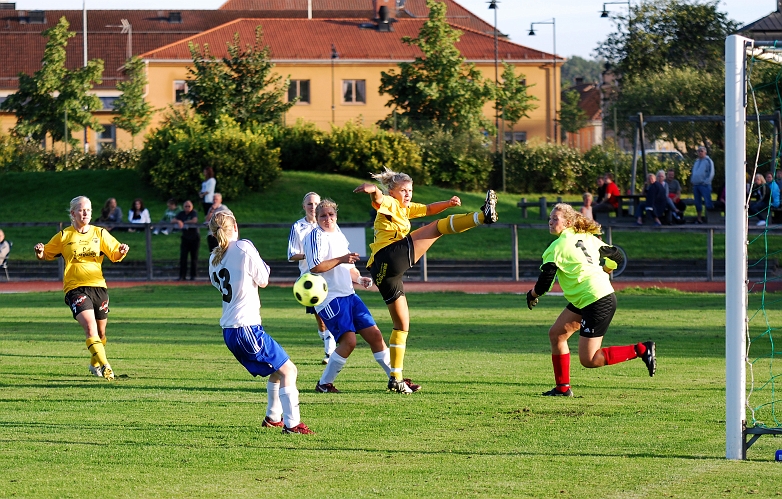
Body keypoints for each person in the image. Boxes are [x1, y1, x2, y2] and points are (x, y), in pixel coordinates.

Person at [354, 167, 497, 393]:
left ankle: (396, 378)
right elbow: (379, 199)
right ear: (393, 191)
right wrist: (373, 190)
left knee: (402, 325)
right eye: (403, 190)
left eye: (410, 190)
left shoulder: (405, 208)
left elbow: (428, 208)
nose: (408, 194)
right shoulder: (390, 202)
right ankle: (482, 216)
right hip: (388, 256)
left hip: (383, 272)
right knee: (438, 228)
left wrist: (448, 203)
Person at [526, 203, 656, 397]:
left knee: (590, 359)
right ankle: (562, 388)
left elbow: (545, 282)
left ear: (568, 222)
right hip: (590, 297)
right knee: (557, 335)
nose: (550, 222)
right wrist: (607, 269)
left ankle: (641, 349)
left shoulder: (556, 247)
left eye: (555, 219)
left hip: (596, 300)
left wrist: (532, 295)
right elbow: (617, 255)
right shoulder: (588, 238)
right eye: (550, 218)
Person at [208, 209, 313, 434]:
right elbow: (263, 280)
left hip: (230, 329)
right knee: (289, 371)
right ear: (235, 226)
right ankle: (292, 425)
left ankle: (273, 417)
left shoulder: (213, 257)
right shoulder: (244, 246)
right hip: (245, 326)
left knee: (277, 372)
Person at [304, 199, 396, 394]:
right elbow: (316, 266)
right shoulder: (315, 236)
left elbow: (348, 266)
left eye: (331, 215)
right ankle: (324, 383)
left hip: (349, 294)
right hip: (329, 298)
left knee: (375, 336)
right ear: (316, 217)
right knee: (349, 342)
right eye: (323, 216)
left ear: (336, 215)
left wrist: (358, 277)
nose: (328, 219)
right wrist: (341, 259)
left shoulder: (338, 233)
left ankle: (396, 378)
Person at [33, 196, 129, 381]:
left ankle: (94, 364)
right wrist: (40, 252)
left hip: (98, 287)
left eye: (89, 210)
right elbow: (46, 253)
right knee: (90, 329)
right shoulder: (64, 236)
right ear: (73, 213)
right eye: (82, 210)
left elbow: (114, 254)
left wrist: (122, 251)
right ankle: (106, 366)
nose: (86, 213)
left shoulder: (100, 233)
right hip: (75, 288)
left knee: (101, 334)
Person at [287, 191, 336, 364]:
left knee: (331, 311)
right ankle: (328, 342)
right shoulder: (298, 227)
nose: (313, 207)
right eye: (309, 204)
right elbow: (291, 254)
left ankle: (331, 351)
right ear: (304, 206)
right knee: (320, 316)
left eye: (316, 204)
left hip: (329, 275)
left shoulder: (328, 223)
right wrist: (309, 254)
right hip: (310, 279)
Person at [175, 200, 200, 280]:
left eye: (189, 206)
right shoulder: (181, 213)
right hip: (185, 238)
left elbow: (194, 220)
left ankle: (193, 276)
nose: (187, 208)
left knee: (194, 257)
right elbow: (173, 220)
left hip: (194, 238)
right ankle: (182, 276)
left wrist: (184, 222)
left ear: (192, 207)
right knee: (183, 257)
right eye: (186, 206)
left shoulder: (193, 213)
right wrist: (178, 221)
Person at [690, 146, 715, 224]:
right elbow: (694, 172)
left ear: (705, 152)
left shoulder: (708, 161)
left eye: (701, 151)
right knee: (697, 202)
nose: (700, 152)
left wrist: (706, 181)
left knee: (708, 202)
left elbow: (711, 173)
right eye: (699, 151)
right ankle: (699, 218)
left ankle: (711, 220)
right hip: (696, 185)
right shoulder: (696, 161)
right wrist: (692, 180)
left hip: (704, 185)